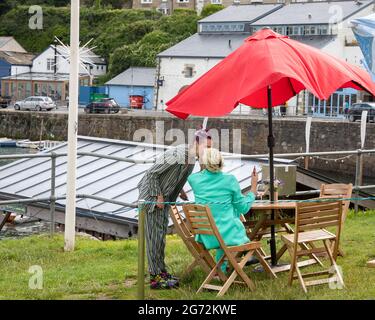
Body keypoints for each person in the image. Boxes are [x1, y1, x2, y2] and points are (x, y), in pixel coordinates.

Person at [137, 129, 212, 289]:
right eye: (206, 147)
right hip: (151, 197)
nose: (208, 151)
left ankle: (161, 272)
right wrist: (158, 196)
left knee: (160, 237)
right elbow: (152, 174)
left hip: (165, 200)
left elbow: (176, 176)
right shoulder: (179, 154)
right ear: (196, 143)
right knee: (153, 238)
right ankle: (155, 278)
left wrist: (181, 191)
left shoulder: (192, 160)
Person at [187, 148, 258, 273]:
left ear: (203, 162)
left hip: (205, 235)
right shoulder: (230, 180)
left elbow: (202, 175)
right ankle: (240, 258)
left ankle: (222, 271)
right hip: (229, 235)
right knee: (228, 226)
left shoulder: (194, 180)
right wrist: (253, 189)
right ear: (221, 161)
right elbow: (243, 208)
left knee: (221, 225)